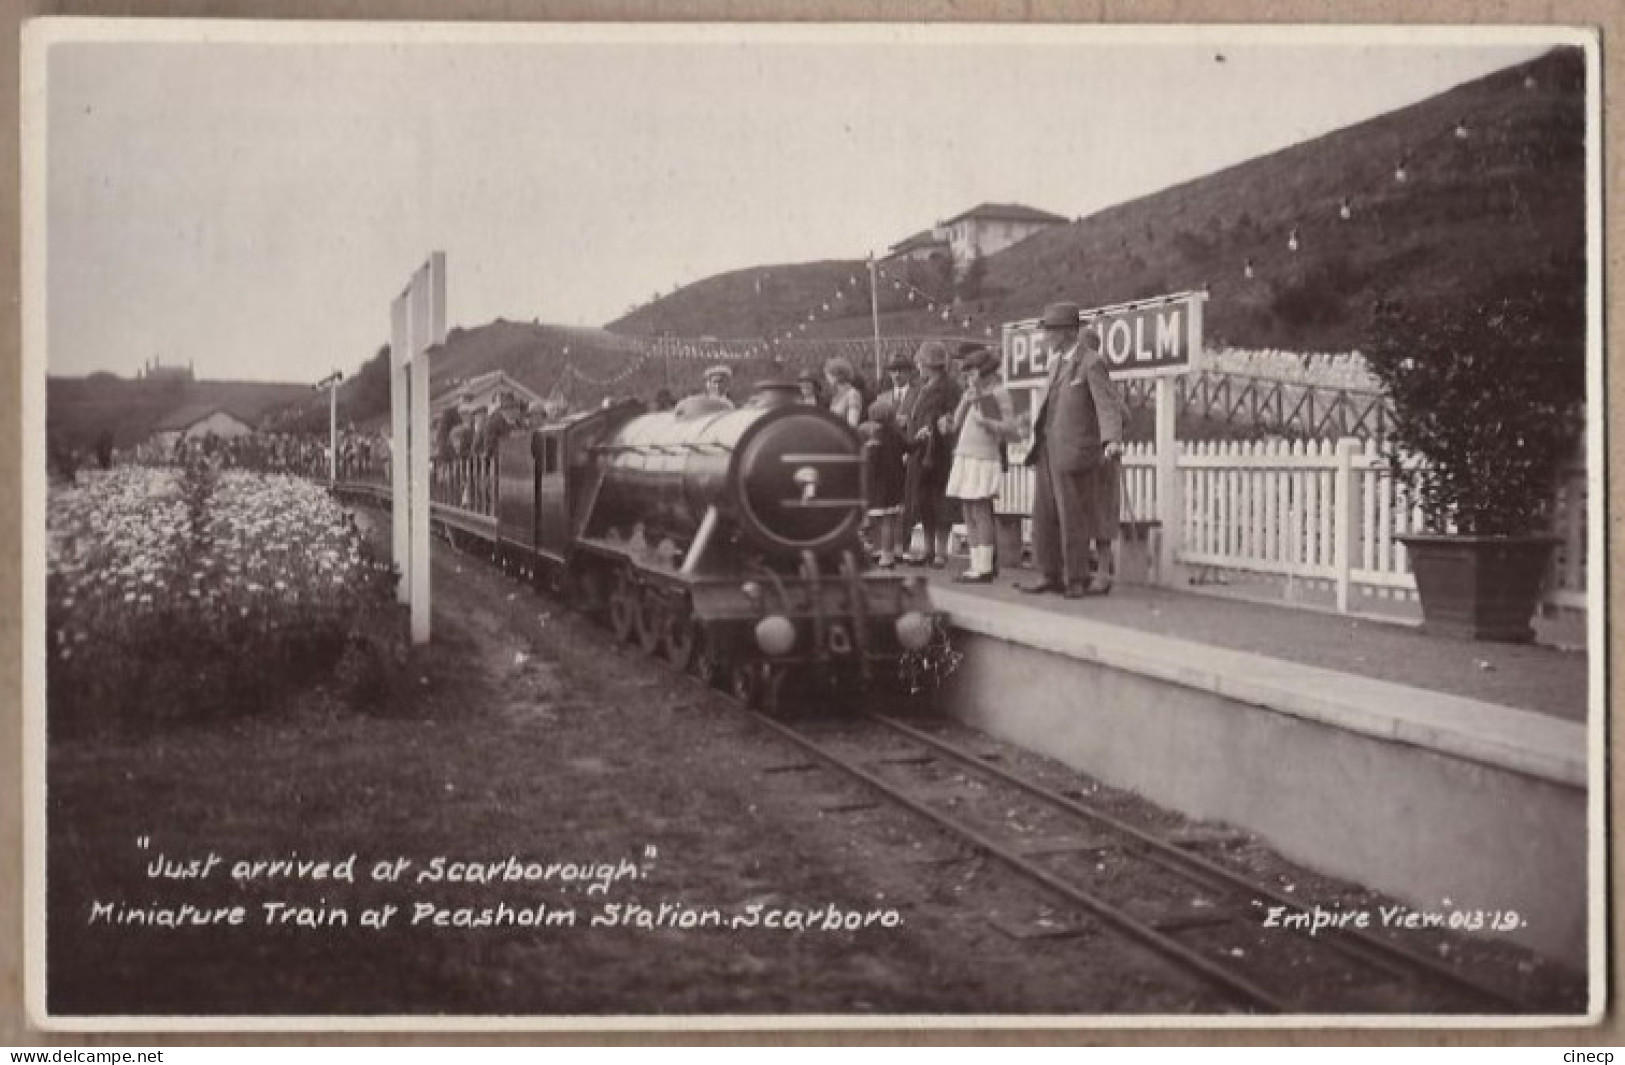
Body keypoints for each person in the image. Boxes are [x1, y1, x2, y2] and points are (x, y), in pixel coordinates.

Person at [1017, 301, 1127, 599]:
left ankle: (1076, 579)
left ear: (1066, 332)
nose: (1044, 337)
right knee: (1044, 515)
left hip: (1075, 452)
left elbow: (1108, 406)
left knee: (1072, 517)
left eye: (1049, 331)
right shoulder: (1055, 363)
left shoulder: (1091, 362)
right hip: (1047, 450)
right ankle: (1048, 574)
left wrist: (1111, 440)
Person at [946, 344, 1016, 583]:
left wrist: (985, 416)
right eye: (966, 374)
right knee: (967, 509)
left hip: (984, 457)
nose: (968, 378)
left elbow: (1007, 428)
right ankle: (975, 564)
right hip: (965, 455)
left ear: (984, 371)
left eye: (972, 373)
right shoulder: (973, 393)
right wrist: (965, 402)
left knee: (980, 508)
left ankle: (985, 567)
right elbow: (955, 425)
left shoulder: (998, 393)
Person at [898, 340, 961, 568]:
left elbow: (954, 418)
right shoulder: (921, 388)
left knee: (940, 501)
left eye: (921, 363)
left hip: (939, 453)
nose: (918, 367)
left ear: (929, 364)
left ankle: (941, 552)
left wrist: (937, 425)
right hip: (920, 451)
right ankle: (929, 549)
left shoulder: (950, 388)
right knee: (923, 501)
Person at [860, 395, 906, 568]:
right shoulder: (896, 434)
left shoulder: (875, 437)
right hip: (895, 482)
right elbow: (909, 446)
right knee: (890, 520)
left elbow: (871, 463)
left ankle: (886, 556)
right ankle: (888, 552)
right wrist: (921, 438)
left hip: (880, 484)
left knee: (883, 521)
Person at [824, 357, 863, 428]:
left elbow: (852, 424)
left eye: (828, 374)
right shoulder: (836, 396)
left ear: (836, 375)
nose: (827, 378)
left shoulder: (852, 394)